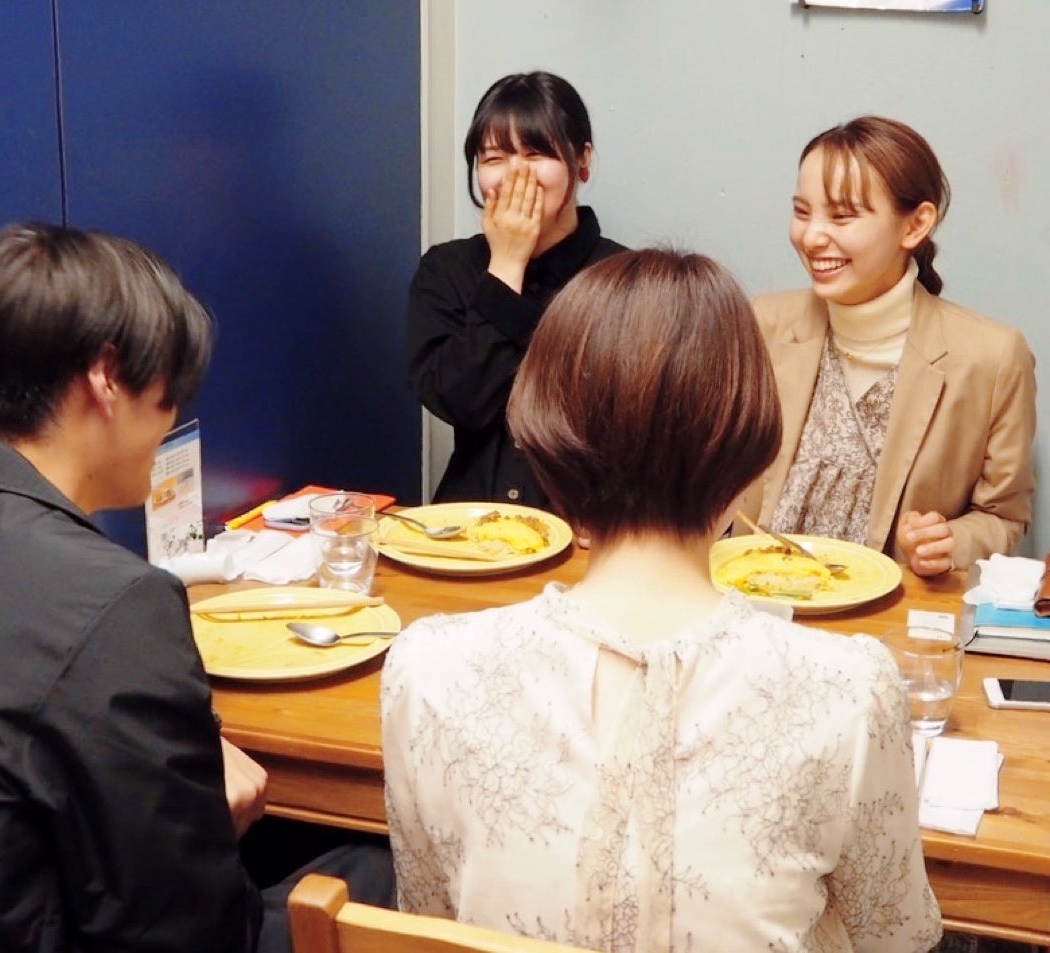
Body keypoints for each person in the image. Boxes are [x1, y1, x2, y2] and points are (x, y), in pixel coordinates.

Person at [0, 224, 390, 952]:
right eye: (171, 392)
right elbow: (189, 930)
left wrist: (175, 762)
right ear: (107, 376)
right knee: (381, 867)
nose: (171, 420)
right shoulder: (114, 600)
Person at [383, 249, 941, 953]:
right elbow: (894, 938)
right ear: (746, 455)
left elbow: (430, 917)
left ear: (546, 442)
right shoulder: (849, 690)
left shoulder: (427, 671)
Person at [736, 116, 1036, 577]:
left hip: (889, 615)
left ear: (915, 225)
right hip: (754, 601)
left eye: (841, 216)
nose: (812, 237)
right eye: (802, 212)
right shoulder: (761, 324)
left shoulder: (992, 357)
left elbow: (1004, 518)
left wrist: (950, 541)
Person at [408, 70, 626, 506]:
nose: (516, 174)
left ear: (582, 159)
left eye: (537, 153)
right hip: (470, 523)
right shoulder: (447, 269)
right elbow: (459, 402)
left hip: (589, 527)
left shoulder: (627, 279)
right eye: (494, 158)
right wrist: (507, 265)